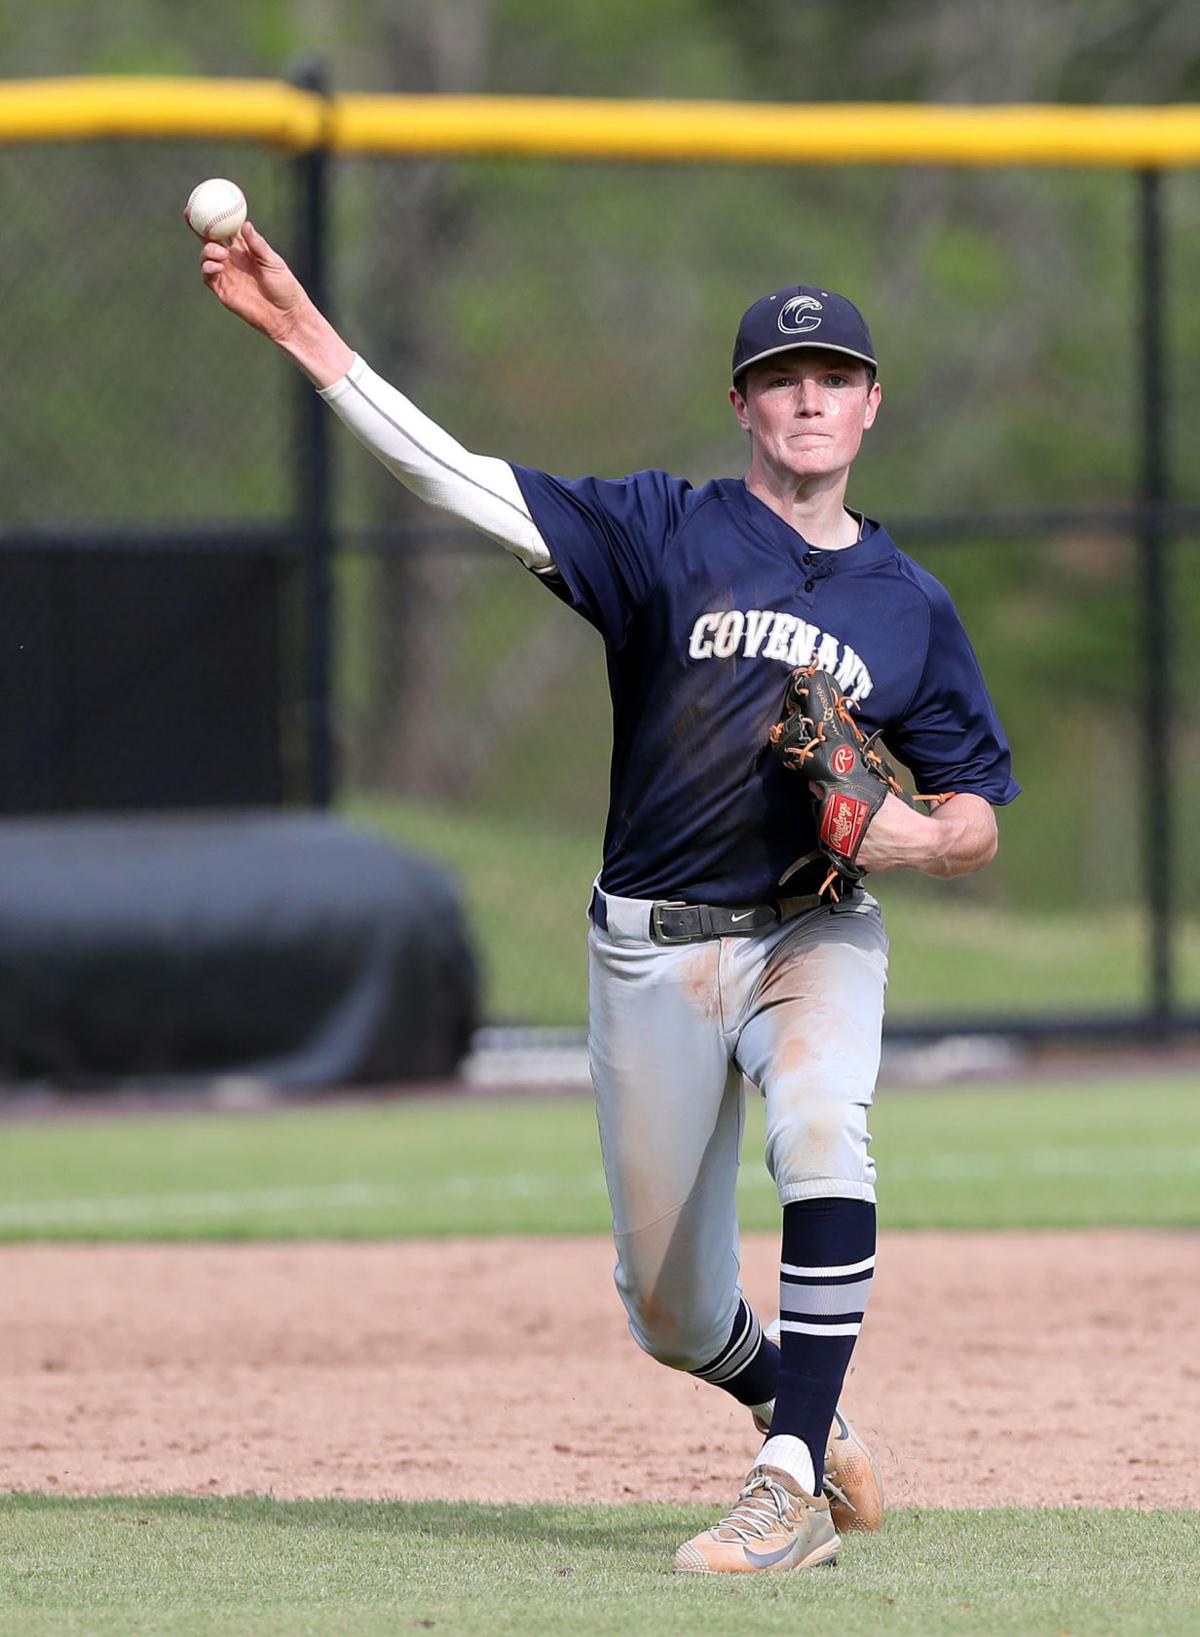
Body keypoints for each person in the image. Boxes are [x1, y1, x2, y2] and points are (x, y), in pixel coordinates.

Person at [197, 223, 1018, 1576]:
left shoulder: (910, 606)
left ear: (873, 403)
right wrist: (303, 333)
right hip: (653, 953)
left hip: (813, 929)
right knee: (671, 1307)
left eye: (835, 376)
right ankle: (789, 1399)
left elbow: (978, 806)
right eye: (781, 376)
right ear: (741, 401)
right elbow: (452, 477)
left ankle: (788, 1475)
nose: (809, 399)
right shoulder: (659, 532)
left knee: (824, 1128)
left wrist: (916, 842)